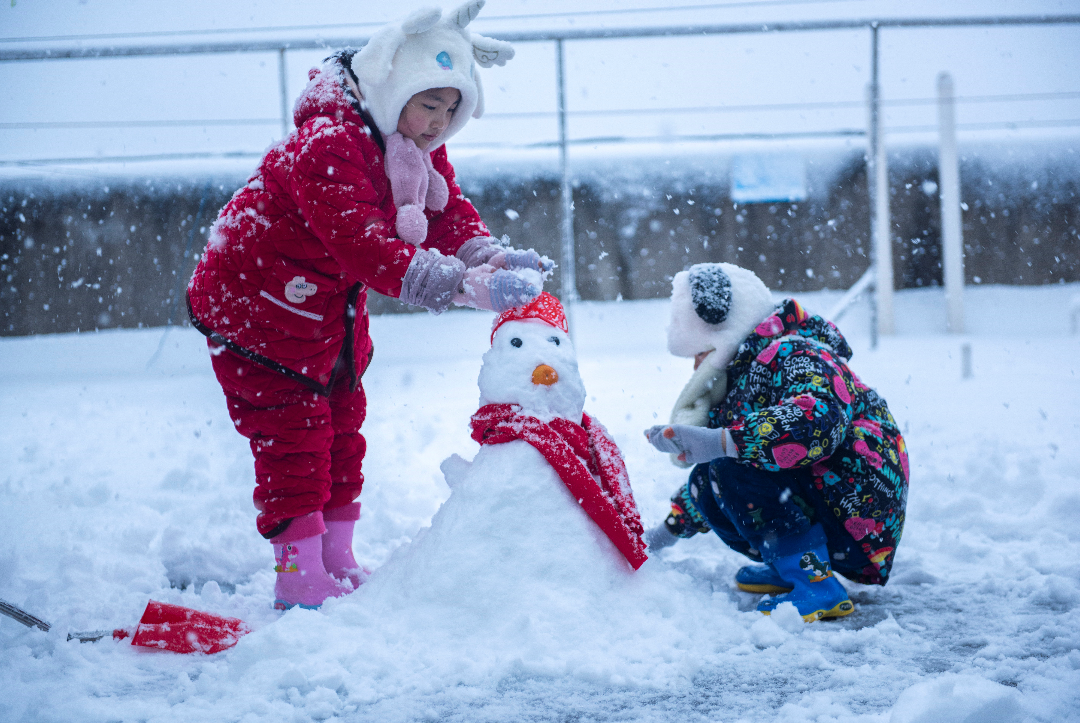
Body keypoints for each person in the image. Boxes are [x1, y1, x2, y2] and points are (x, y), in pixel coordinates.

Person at [187, 2, 549, 610]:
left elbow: (444, 213)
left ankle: (336, 557)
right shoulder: (329, 143)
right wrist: (467, 287)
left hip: (325, 313)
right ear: (392, 86)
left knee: (342, 425)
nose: (438, 123)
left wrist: (486, 255)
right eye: (427, 103)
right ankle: (299, 577)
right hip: (258, 311)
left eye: (451, 109)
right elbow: (363, 245)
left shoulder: (406, 145)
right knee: (294, 438)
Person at [644, 263, 908, 622]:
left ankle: (815, 584)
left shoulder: (795, 353)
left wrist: (723, 441)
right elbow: (716, 478)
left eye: (700, 354)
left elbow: (819, 420)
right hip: (828, 501)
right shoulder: (743, 380)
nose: (697, 369)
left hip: (859, 504)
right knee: (714, 474)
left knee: (732, 462)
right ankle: (793, 567)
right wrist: (662, 535)